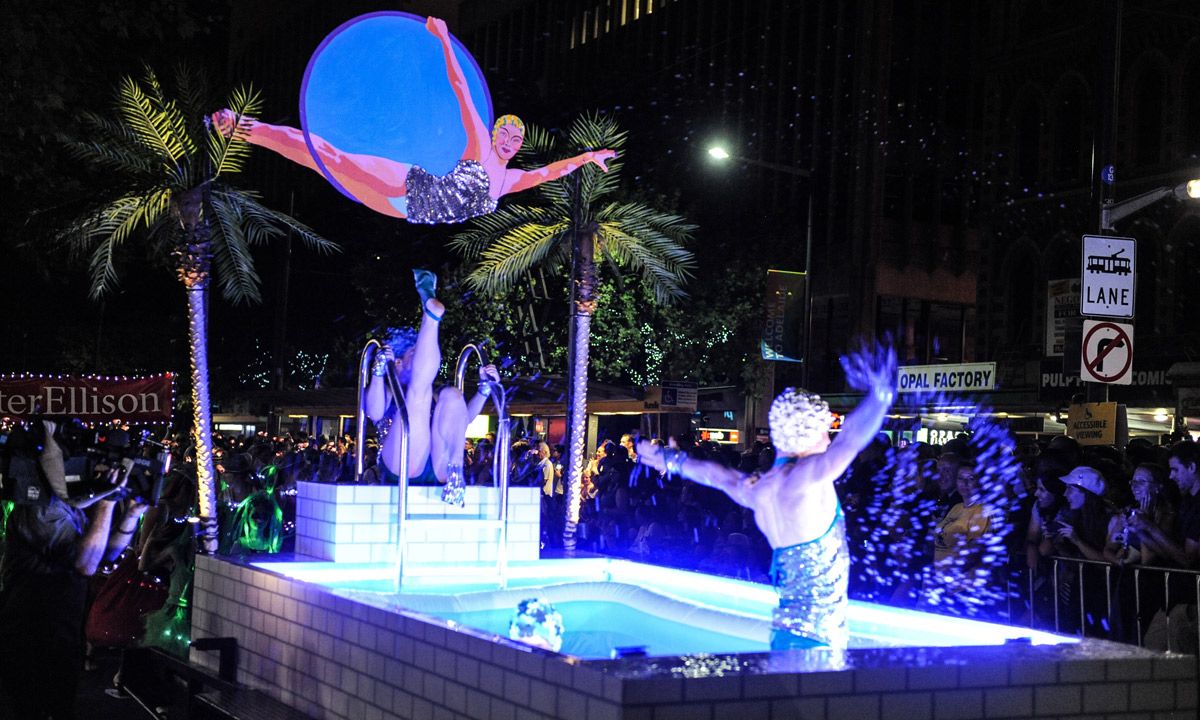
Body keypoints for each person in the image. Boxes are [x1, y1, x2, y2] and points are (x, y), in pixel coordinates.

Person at [212, 16, 617, 224]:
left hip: (405, 211)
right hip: (409, 184)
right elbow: (460, 87)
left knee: (322, 165)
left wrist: (587, 158)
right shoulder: (479, 142)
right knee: (327, 157)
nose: (511, 140)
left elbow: (549, 173)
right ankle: (244, 127)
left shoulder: (510, 181)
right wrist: (442, 39)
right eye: (505, 133)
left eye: (517, 137)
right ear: (495, 135)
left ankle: (249, 130)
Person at [635, 343, 896, 648]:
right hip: (818, 643)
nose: (828, 438)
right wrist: (881, 395)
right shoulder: (806, 478)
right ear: (808, 429)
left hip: (784, 633)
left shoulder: (760, 489)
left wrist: (672, 460)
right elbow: (850, 440)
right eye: (826, 428)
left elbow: (717, 476)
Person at [0, 420, 149, 720]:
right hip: (30, 634)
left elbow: (105, 554)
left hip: (60, 631)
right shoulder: (43, 508)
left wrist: (131, 515)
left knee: (59, 707)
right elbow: (86, 563)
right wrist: (107, 502)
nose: (101, 473)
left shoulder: (72, 506)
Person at [365, 270, 500, 506]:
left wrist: (483, 390)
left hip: (440, 468)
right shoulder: (389, 391)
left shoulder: (437, 397)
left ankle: (457, 474)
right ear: (398, 362)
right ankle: (431, 318)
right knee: (418, 395)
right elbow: (374, 413)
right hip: (400, 464)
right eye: (414, 353)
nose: (422, 356)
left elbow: (462, 421)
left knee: (452, 394)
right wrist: (378, 373)